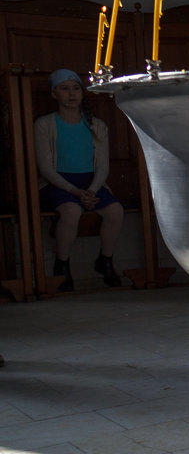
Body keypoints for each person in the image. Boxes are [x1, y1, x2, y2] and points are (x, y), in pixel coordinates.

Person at [35, 69, 124, 291]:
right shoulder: (44, 124)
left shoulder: (97, 125)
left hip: (91, 183)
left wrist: (92, 191)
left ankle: (105, 260)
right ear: (54, 94)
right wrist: (75, 192)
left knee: (116, 211)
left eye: (75, 89)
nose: (71, 94)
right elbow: (45, 168)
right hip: (58, 183)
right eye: (64, 89)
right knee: (71, 211)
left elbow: (103, 165)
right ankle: (62, 265)